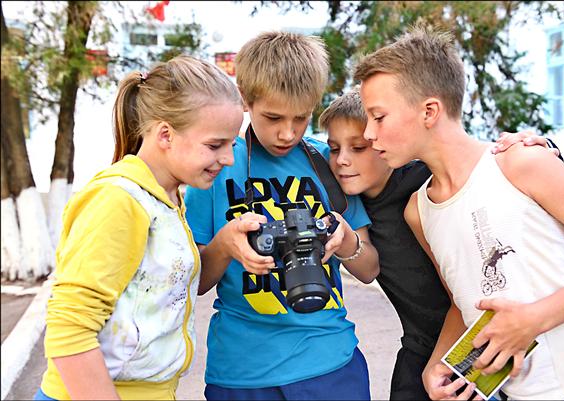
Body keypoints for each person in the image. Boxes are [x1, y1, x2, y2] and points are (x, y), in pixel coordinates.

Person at [355, 25, 564, 401]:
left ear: (429, 111)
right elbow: (462, 301)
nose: (369, 134)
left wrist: (531, 320)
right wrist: (438, 366)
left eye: (378, 117)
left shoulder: (520, 163)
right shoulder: (419, 211)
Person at [319, 88, 564, 400]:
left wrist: (544, 147)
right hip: (422, 345)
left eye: (358, 147)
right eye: (334, 148)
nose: (342, 160)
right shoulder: (341, 199)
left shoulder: (426, 182)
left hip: (485, 336)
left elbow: (483, 166)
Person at [34, 55, 244, 401]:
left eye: (231, 144)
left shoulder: (166, 198)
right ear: (165, 134)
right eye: (215, 145)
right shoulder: (119, 199)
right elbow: (69, 328)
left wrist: (223, 244)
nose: (228, 159)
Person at [184, 31, 380, 400]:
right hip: (241, 371)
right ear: (245, 99)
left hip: (328, 361)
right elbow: (193, 283)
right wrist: (226, 244)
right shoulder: (215, 168)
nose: (287, 132)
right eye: (273, 117)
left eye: (301, 118)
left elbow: (369, 270)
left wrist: (346, 239)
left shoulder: (329, 162)